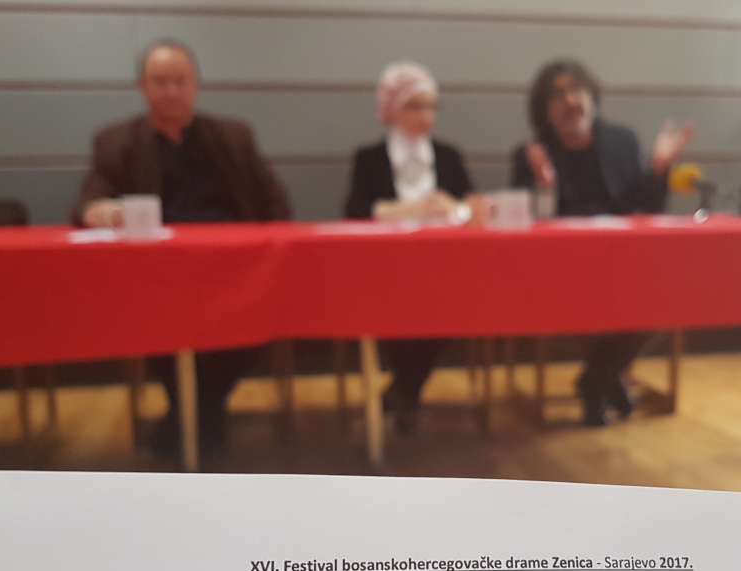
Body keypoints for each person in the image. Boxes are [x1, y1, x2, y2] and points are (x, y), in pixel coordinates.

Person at [73, 38, 291, 453]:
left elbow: (276, 204)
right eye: (160, 82)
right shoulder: (116, 142)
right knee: (155, 325)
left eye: (180, 81)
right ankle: (201, 417)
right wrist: (102, 211)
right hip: (156, 279)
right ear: (142, 87)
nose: (171, 91)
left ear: (195, 86)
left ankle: (194, 413)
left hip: (235, 272)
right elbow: (89, 203)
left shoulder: (234, 137)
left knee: (265, 318)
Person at [509, 59, 694, 427]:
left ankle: (596, 378)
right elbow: (524, 224)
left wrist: (658, 169)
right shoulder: (531, 153)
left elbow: (647, 209)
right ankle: (602, 384)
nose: (570, 101)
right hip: (560, 267)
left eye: (577, 90)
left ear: (592, 97)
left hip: (623, 259)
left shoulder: (621, 141)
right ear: (545, 111)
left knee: (669, 295)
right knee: (590, 299)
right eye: (558, 95)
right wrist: (544, 187)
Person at [343, 61, 475, 433]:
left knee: (454, 307)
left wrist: (454, 207)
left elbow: (472, 208)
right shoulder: (369, 158)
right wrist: (413, 209)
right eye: (415, 107)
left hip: (445, 268)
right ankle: (407, 392)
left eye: (431, 107)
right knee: (396, 309)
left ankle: (404, 389)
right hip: (387, 271)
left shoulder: (448, 156)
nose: (425, 116)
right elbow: (356, 212)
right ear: (392, 109)